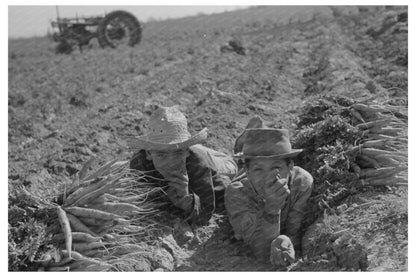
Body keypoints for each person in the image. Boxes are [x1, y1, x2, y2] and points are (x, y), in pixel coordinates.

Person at [126, 106, 238, 225]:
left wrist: (188, 201)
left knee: (224, 191)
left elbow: (206, 213)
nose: (171, 162)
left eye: (177, 154)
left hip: (222, 164)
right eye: (162, 155)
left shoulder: (198, 164)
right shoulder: (140, 163)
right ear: (149, 153)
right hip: (188, 149)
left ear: (187, 152)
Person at [225, 126, 313, 267]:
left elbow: (295, 232)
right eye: (258, 169)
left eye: (276, 168)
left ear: (290, 167)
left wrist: (286, 239)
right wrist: (272, 208)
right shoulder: (238, 192)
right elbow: (262, 252)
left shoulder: (301, 182)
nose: (267, 178)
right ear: (246, 171)